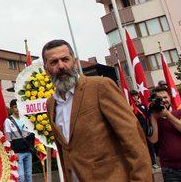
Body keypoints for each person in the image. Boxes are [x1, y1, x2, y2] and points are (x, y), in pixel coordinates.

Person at [42, 39, 152, 181]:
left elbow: (133, 140)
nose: (61, 66)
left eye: (65, 59)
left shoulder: (100, 87)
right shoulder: (51, 104)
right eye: (54, 62)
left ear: (75, 63)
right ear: (46, 69)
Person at [147, 86, 181, 181]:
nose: (163, 100)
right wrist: (153, 117)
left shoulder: (180, 113)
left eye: (165, 97)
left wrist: (168, 115)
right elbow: (153, 140)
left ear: (170, 97)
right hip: (170, 170)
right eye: (159, 99)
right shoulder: (153, 118)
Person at [4, 99, 33, 182]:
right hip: (17, 153)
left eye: (19, 107)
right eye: (15, 107)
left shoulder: (25, 119)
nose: (17, 109)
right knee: (20, 177)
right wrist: (12, 152)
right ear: (11, 108)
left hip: (28, 151)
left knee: (28, 175)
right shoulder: (8, 121)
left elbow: (31, 134)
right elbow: (8, 139)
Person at [131, 89, 157, 167]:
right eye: (133, 96)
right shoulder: (131, 107)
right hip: (137, 128)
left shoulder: (142, 105)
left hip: (146, 127)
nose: (135, 97)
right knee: (142, 146)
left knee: (150, 145)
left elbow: (148, 115)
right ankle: (145, 164)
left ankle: (153, 162)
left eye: (136, 95)